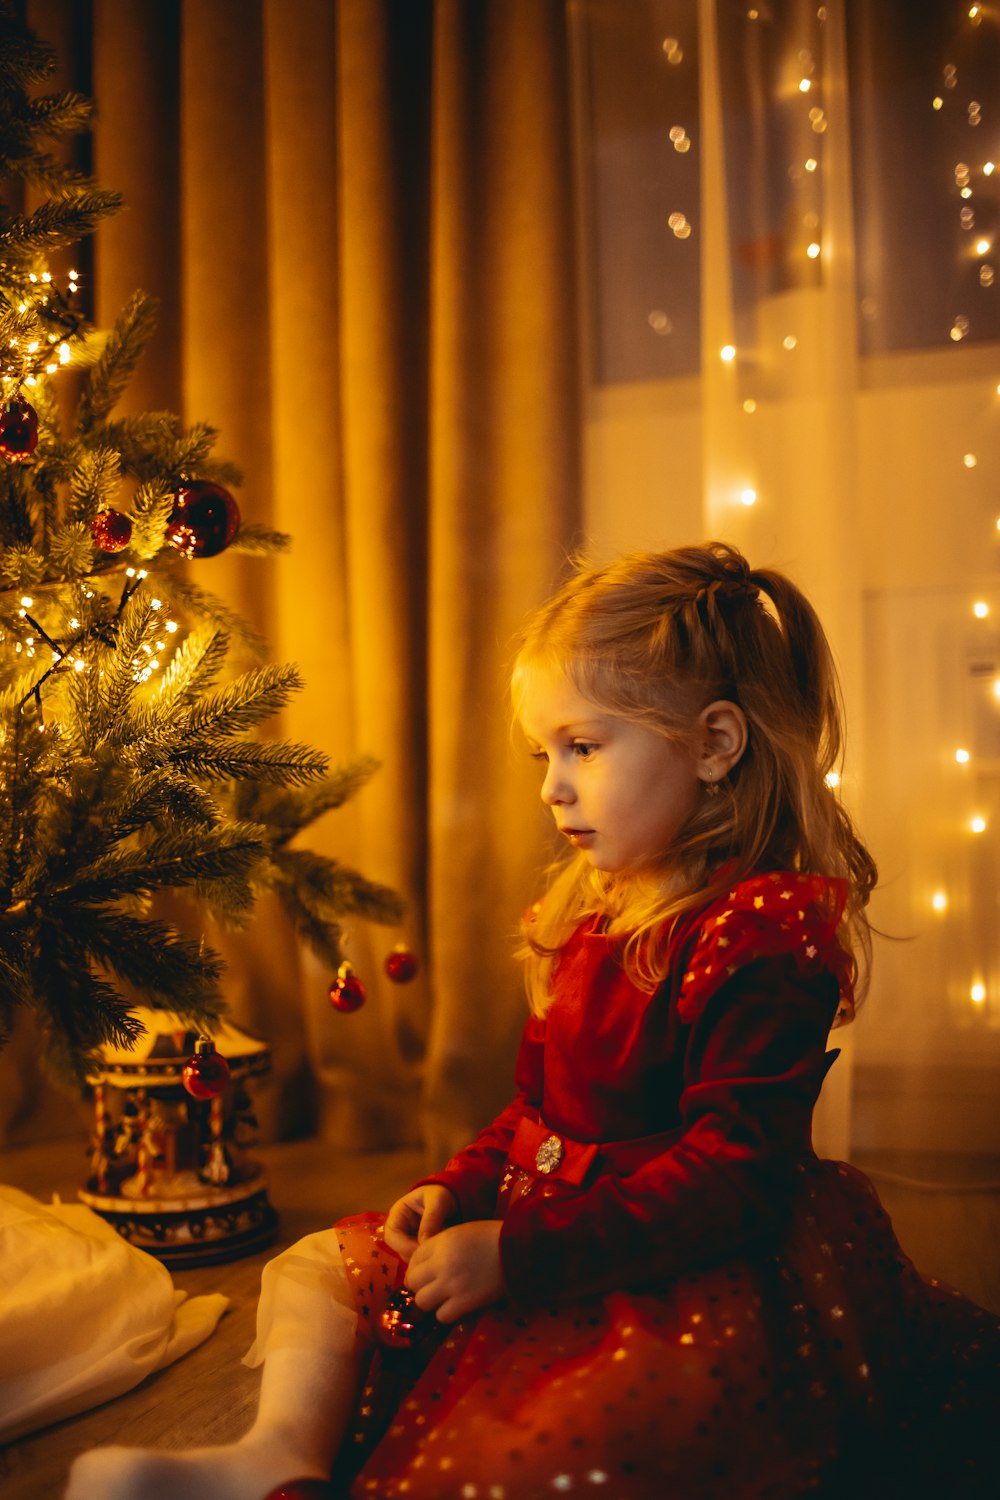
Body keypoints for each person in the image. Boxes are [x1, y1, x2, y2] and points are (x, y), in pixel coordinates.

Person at [66, 542, 999, 1500]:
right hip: (540, 1225)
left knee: (560, 1435)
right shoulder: (585, 912)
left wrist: (520, 1258)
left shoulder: (758, 939)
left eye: (584, 748)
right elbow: (533, 1113)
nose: (552, 785)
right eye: (543, 754)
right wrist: (460, 1189)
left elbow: (735, 1179)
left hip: (680, 1264)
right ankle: (276, 1459)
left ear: (716, 746)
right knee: (314, 1270)